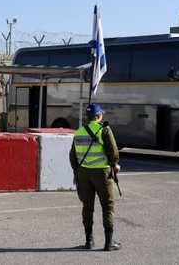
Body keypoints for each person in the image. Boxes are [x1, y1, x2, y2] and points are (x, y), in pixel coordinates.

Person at [69, 103, 121, 251]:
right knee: (108, 206)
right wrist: (115, 164)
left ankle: (89, 241)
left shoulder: (78, 132)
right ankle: (108, 242)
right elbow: (114, 151)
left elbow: (72, 156)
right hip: (102, 173)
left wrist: (76, 173)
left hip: (84, 174)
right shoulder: (104, 130)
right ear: (98, 116)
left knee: (87, 207)